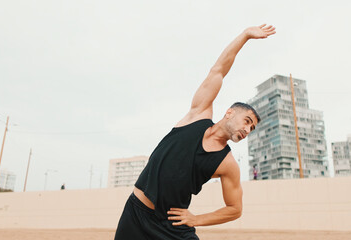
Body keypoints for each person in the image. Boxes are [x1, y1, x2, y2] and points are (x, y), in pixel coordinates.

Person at [114, 24, 276, 240]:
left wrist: (196, 219)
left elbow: (235, 209)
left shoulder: (227, 164)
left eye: (252, 128)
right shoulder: (198, 115)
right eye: (247, 121)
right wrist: (245, 36)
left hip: (171, 226)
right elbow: (218, 70)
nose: (247, 129)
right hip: (136, 214)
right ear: (229, 113)